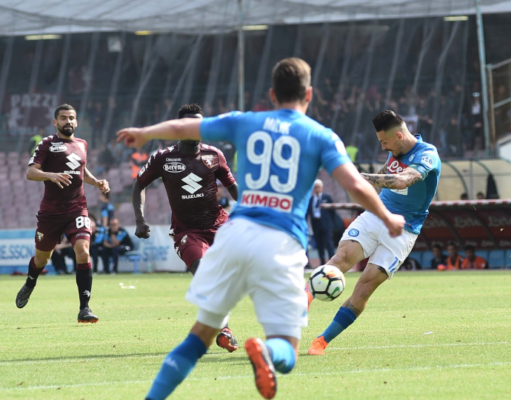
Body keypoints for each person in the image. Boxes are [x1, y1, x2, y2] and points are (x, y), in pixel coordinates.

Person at [117, 57, 405, 400]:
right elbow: (355, 185)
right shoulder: (321, 136)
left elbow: (183, 129)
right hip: (281, 243)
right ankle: (267, 352)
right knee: (287, 349)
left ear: (271, 94)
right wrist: (387, 217)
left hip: (235, 233)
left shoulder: (246, 122)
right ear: (309, 94)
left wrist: (144, 133)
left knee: (197, 339)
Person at [306, 110, 441, 356]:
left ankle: (322, 341)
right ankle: (302, 305)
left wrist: (358, 176)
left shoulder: (427, 155)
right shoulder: (394, 150)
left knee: (365, 286)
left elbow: (401, 181)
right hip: (376, 216)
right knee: (341, 258)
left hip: (404, 230)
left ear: (399, 135)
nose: (383, 147)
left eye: (384, 142)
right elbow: (384, 174)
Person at [132, 103, 240, 353]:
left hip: (219, 226)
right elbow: (139, 185)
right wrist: (140, 220)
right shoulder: (163, 157)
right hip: (187, 231)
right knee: (202, 272)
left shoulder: (214, 155)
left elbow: (232, 186)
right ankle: (224, 329)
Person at [15, 104, 110, 323]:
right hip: (51, 213)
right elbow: (30, 172)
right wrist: (50, 175)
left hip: (77, 208)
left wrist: (96, 182)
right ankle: (30, 282)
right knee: (42, 259)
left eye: (71, 118)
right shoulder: (46, 143)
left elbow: (81, 170)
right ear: (55, 122)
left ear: (76, 121)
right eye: (64, 118)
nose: (68, 121)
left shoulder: (82, 144)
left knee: (83, 251)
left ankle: (84, 308)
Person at [307, 179, 336, 265]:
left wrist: (331, 223)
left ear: (322, 188)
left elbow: (332, 211)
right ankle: (322, 262)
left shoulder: (327, 197)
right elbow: (308, 212)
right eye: (315, 187)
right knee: (319, 244)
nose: (317, 189)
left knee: (329, 242)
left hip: (326, 224)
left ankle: (332, 262)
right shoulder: (311, 199)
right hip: (316, 223)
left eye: (318, 187)